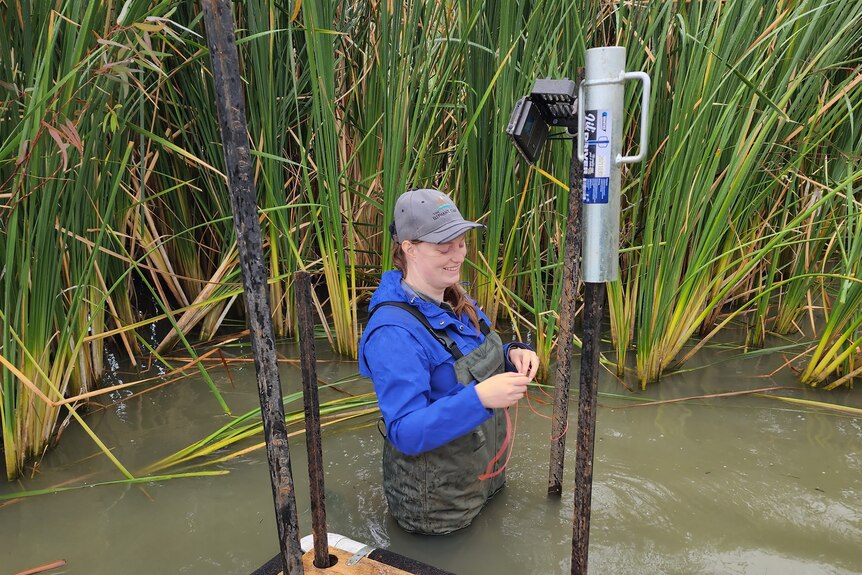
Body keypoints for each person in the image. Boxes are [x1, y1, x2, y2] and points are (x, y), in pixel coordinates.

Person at [358, 187, 539, 535]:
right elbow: (405, 432)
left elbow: (472, 354)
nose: (457, 256)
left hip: (484, 477)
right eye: (444, 248)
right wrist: (481, 399)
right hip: (437, 508)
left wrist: (511, 353)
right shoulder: (392, 332)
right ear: (408, 249)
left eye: (461, 243)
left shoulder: (453, 293)